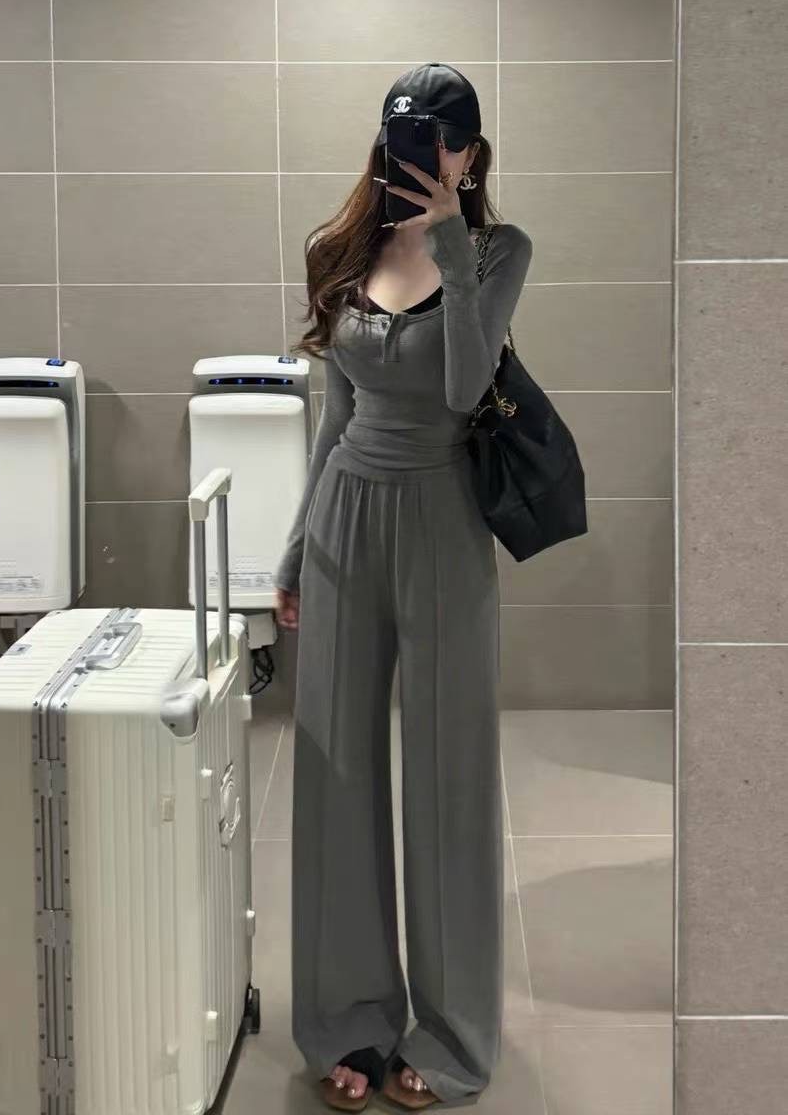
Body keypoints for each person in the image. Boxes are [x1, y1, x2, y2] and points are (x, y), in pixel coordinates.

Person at [273, 63, 533, 1111]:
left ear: (472, 153)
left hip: (441, 520)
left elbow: (466, 387)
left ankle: (454, 1034)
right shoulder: (338, 251)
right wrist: (296, 548)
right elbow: (334, 416)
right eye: (407, 138)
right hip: (345, 515)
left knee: (446, 774)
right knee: (334, 770)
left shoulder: (500, 252)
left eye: (444, 141)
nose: (424, 156)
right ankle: (349, 1020)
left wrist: (454, 248)